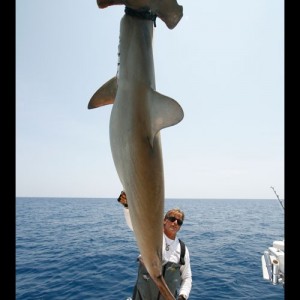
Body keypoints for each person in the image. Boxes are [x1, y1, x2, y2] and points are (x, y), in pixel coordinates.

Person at [117, 191, 192, 300]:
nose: (175, 222)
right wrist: (127, 207)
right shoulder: (151, 236)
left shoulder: (183, 250)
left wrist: (183, 296)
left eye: (179, 222)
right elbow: (135, 225)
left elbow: (187, 277)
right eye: (172, 219)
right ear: (164, 221)